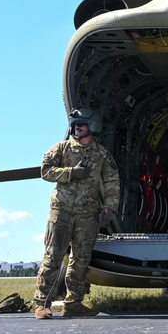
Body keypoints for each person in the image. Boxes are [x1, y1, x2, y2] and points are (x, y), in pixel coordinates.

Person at [33, 108, 120, 319]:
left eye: (81, 124)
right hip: (61, 211)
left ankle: (73, 303)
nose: (76, 127)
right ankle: (42, 303)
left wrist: (109, 207)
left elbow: (111, 181)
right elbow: (45, 170)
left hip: (88, 214)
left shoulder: (102, 154)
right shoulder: (61, 149)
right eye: (74, 124)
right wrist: (71, 173)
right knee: (53, 256)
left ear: (93, 126)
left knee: (81, 260)